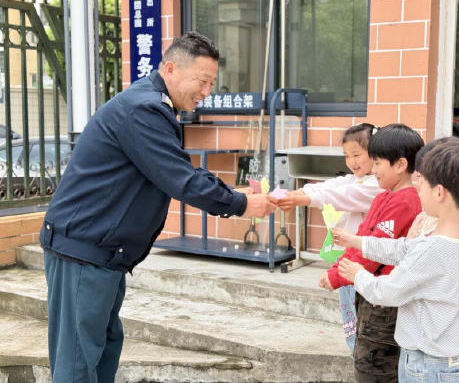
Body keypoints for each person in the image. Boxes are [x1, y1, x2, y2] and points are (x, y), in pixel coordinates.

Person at [39, 32, 278, 383]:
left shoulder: (153, 106)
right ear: (170, 69)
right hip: (84, 251)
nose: (206, 92)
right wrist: (241, 204)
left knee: (103, 349)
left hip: (102, 253)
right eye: (202, 81)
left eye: (212, 83)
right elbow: (181, 180)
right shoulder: (144, 110)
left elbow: (175, 172)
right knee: (77, 363)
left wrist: (233, 193)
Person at [335, 139, 459, 383]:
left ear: (439, 192)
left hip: (429, 364)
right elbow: (403, 248)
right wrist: (359, 242)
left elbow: (388, 292)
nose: (417, 189)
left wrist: (358, 274)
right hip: (449, 357)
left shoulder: (431, 248)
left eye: (422, 184)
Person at [319, 123, 424, 382]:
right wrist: (337, 268)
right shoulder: (383, 197)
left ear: (400, 165)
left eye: (377, 164)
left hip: (384, 302)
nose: (373, 171)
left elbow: (374, 251)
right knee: (364, 355)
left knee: (373, 367)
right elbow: (361, 240)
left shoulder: (405, 201)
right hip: (370, 293)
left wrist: (337, 277)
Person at [278, 123, 385, 355]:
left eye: (357, 155)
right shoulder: (353, 179)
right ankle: (357, 356)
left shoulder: (376, 185)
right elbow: (329, 186)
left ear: (375, 153)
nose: (351, 162)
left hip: (365, 263)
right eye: (347, 156)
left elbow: (339, 196)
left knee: (362, 319)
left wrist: (301, 200)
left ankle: (363, 358)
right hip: (347, 258)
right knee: (350, 319)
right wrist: (295, 194)